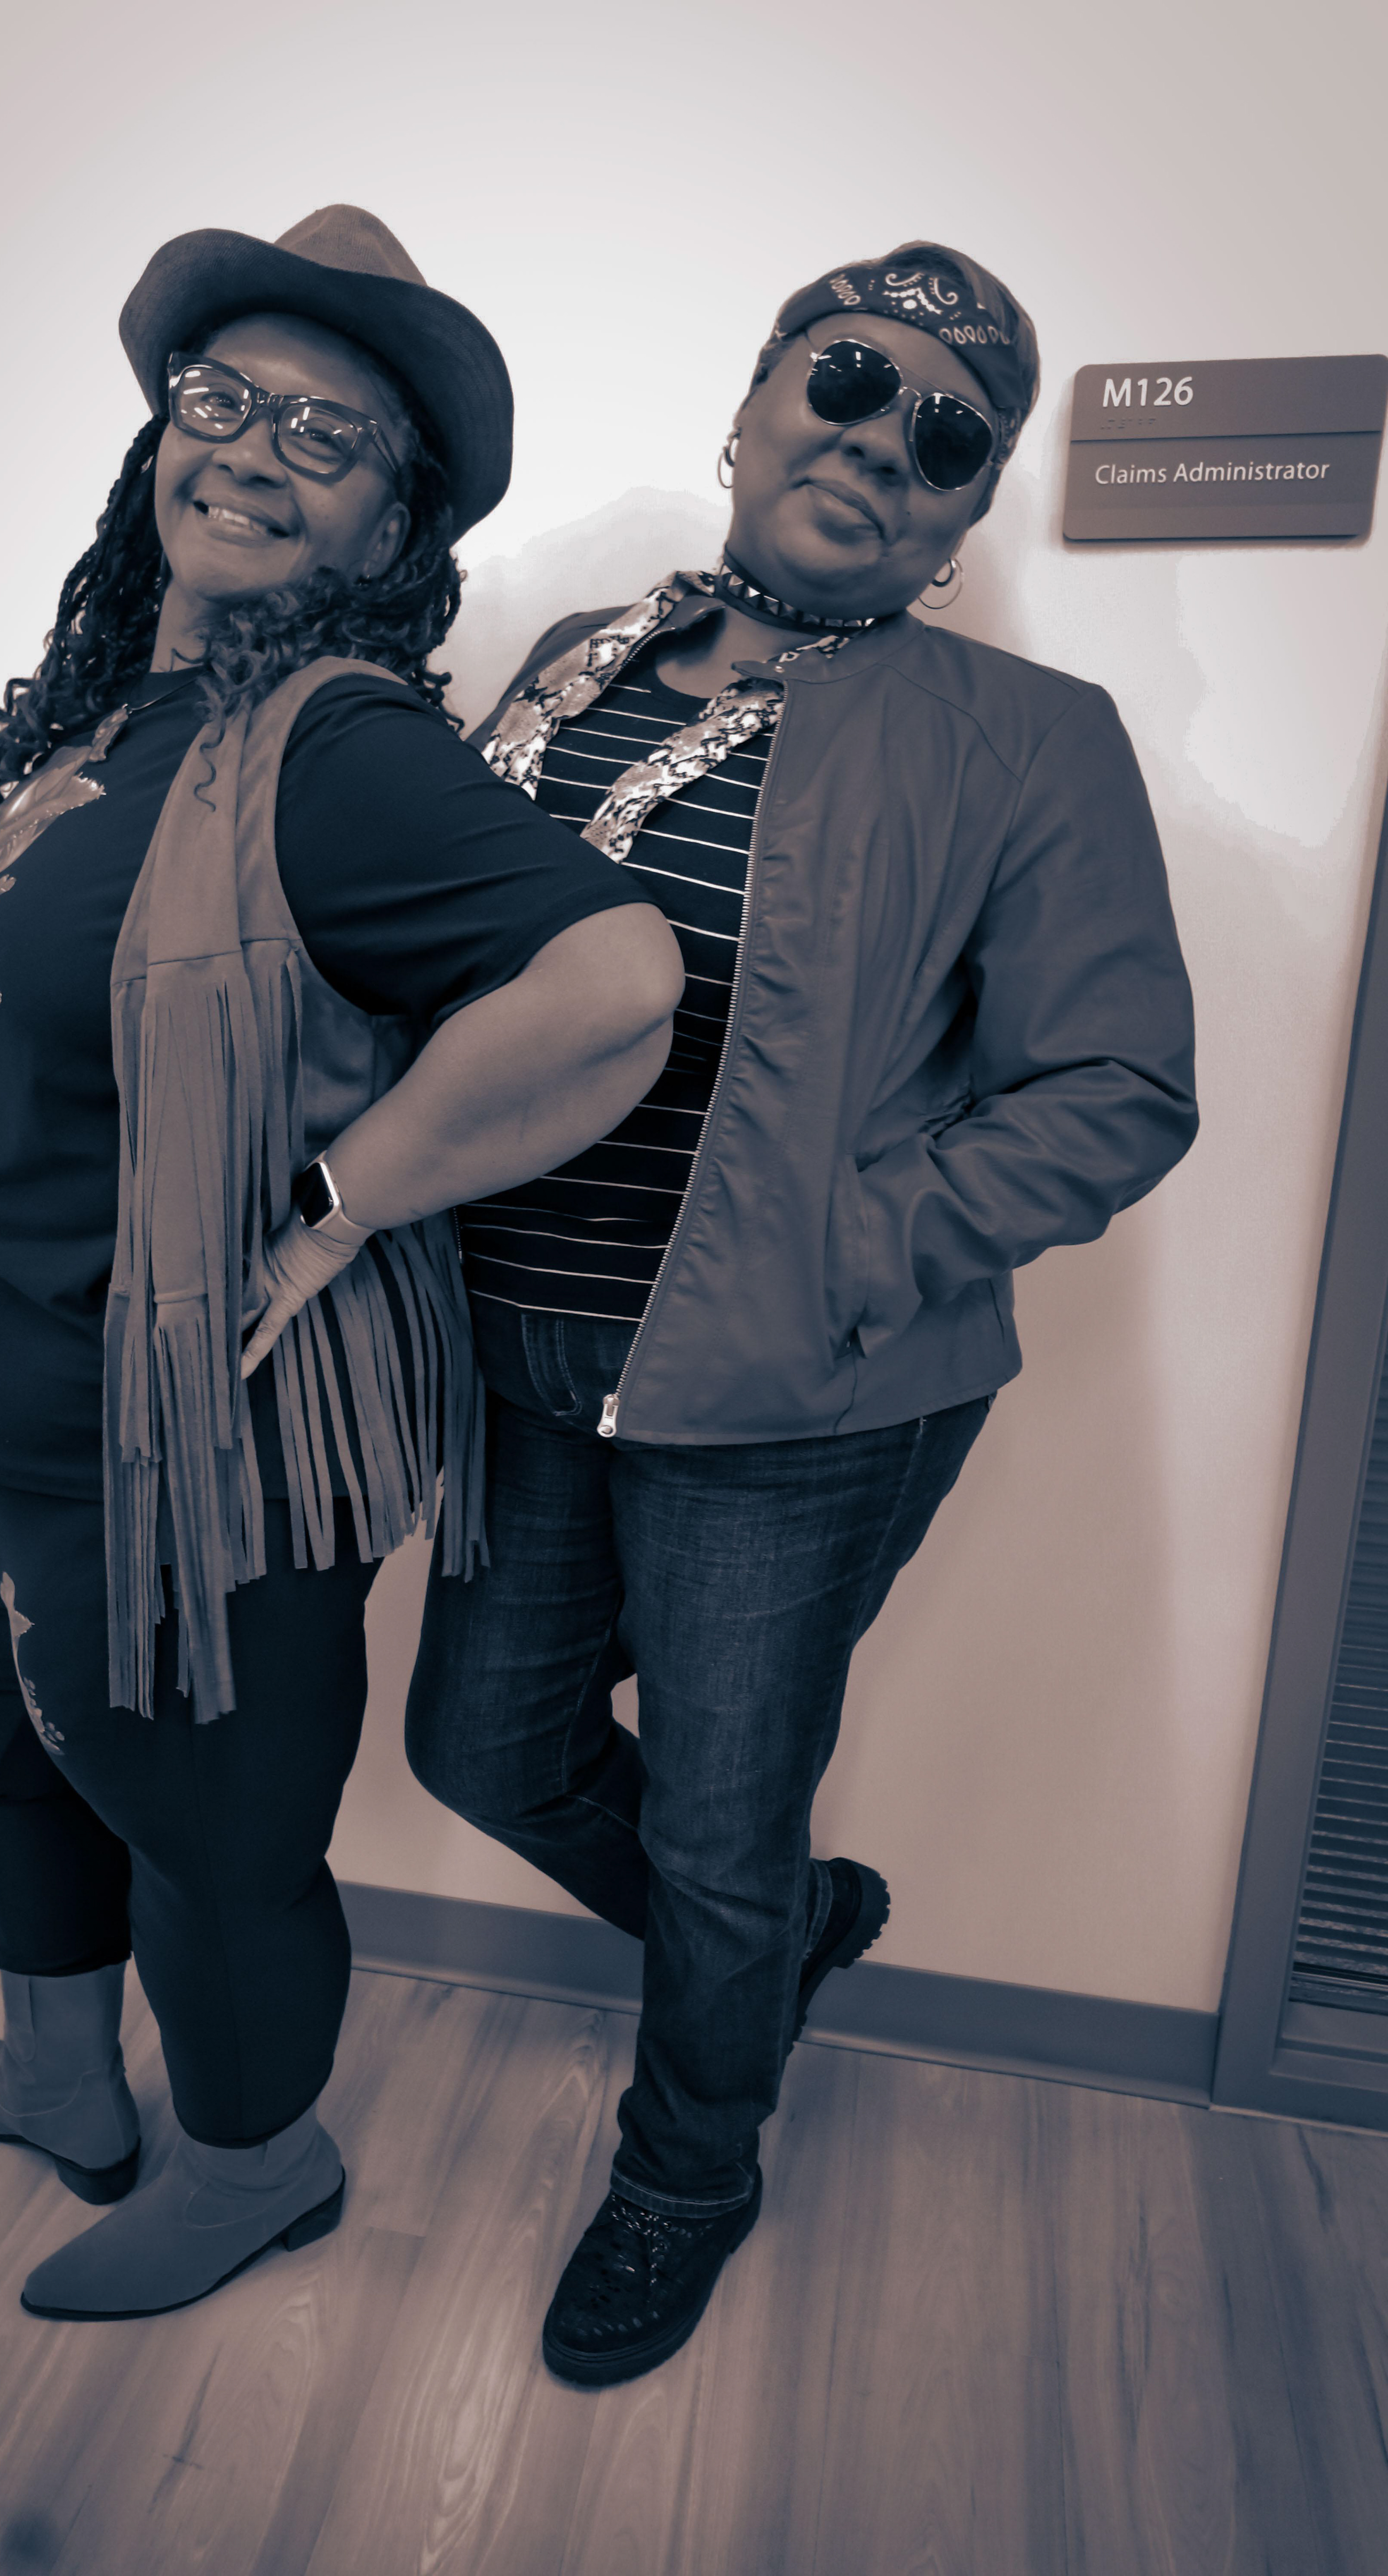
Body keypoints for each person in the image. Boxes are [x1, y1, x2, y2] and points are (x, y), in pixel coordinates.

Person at [406, 243, 1199, 2388]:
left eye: (947, 437)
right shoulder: (570, 667)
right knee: (480, 1749)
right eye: (848, 381)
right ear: (754, 406)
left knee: (717, 1822)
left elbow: (1120, 1089)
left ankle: (692, 2167)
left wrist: (852, 1247)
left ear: (963, 519)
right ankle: (783, 1945)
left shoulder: (1029, 741)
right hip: (519, 1348)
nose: (880, 443)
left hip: (793, 1393)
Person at [0, 206, 683, 2323]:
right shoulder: (133, 714)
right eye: (220, 397)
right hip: (13, 1407)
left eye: (328, 433)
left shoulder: (335, 748)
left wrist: (351, 1197)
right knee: (13, 1754)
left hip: (179, 1456)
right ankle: (63, 2078)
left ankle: (257, 2166)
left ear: (395, 521)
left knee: (212, 1843)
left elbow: (613, 978)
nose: (251, 446)